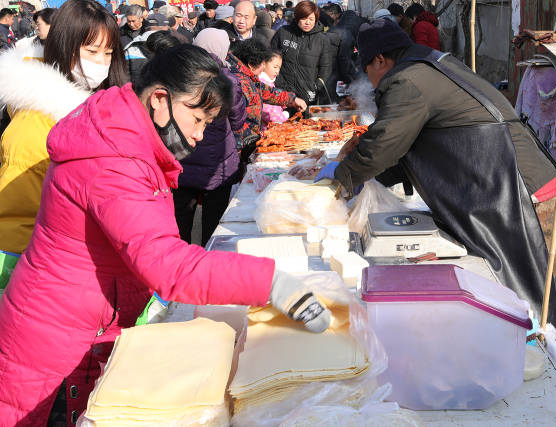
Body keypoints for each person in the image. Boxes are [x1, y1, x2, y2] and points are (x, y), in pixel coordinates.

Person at [0, 43, 331, 426]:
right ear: (160, 98)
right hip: (52, 344)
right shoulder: (114, 160)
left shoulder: (126, 137)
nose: (199, 135)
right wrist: (272, 282)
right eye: (198, 120)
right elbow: (169, 266)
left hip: (85, 326)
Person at [315, 19, 556, 338]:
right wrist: (364, 172)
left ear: (380, 59)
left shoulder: (407, 80)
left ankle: (547, 364)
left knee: (532, 298)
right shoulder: (431, 64)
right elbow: (401, 147)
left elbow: (384, 144)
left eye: (369, 71)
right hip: (517, 182)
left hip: (523, 189)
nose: (371, 83)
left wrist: (337, 180)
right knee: (524, 293)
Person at [0, 0, 127, 257]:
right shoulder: (36, 121)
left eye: (109, 53)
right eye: (92, 51)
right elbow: (15, 219)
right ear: (64, 46)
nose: (101, 62)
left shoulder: (97, 104)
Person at [174, 29, 246, 245]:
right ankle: (209, 259)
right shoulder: (228, 80)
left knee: (180, 223)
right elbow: (238, 119)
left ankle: (180, 262)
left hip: (182, 157)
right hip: (217, 164)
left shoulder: (181, 73)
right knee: (214, 224)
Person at [228, 39, 305, 156]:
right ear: (251, 64)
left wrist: (292, 99)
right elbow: (236, 122)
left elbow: (269, 92)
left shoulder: (249, 78)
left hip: (249, 144)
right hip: (241, 148)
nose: (263, 68)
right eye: (262, 64)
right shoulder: (240, 83)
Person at [271, 1, 331, 105]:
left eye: (311, 19)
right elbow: (270, 59)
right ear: (297, 17)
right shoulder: (283, 33)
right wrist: (278, 83)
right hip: (283, 94)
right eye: (304, 18)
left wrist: (316, 87)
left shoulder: (322, 40)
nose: (307, 22)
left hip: (307, 96)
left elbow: (326, 68)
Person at [259, 50, 289, 124]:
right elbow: (268, 112)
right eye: (275, 67)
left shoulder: (270, 82)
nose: (277, 71)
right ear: (264, 64)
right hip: (266, 129)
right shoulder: (262, 83)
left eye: (279, 68)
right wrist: (284, 115)